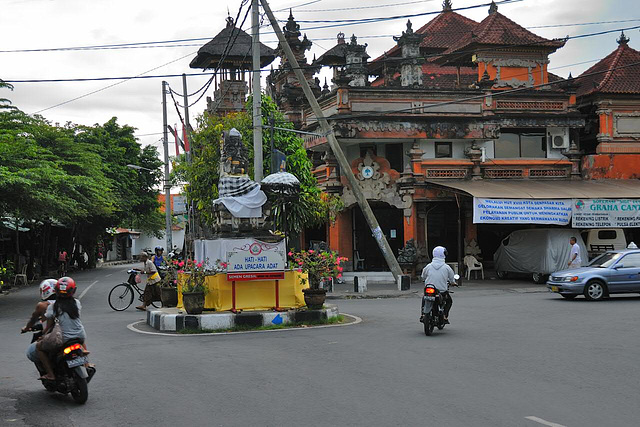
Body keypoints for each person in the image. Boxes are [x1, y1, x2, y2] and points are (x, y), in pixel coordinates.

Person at [36, 277, 87, 381]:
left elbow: (49, 326)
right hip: (81, 336)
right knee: (79, 339)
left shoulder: (53, 307)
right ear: (74, 290)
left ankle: (50, 374)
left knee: (39, 347)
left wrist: (43, 335)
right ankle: (86, 363)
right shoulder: (76, 303)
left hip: (64, 338)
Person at [23, 279, 57, 370]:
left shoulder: (43, 306)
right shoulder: (69, 302)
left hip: (55, 335)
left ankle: (49, 373)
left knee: (33, 351)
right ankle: (87, 364)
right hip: (72, 332)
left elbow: (35, 320)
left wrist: (27, 328)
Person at [421, 246, 456, 324]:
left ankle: (423, 314)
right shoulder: (447, 267)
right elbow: (452, 279)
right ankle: (444, 316)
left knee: (424, 298)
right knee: (449, 301)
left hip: (429, 289)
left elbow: (423, 276)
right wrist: (453, 283)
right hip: (442, 291)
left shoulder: (428, 266)